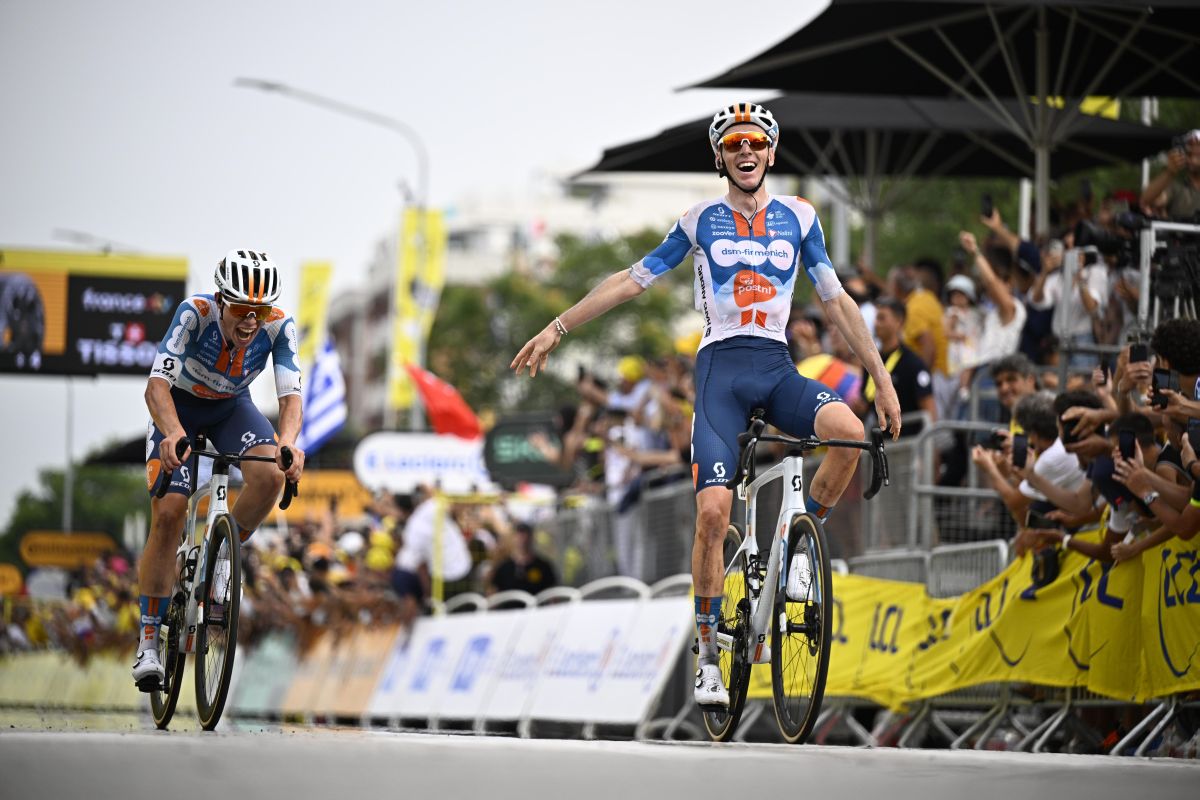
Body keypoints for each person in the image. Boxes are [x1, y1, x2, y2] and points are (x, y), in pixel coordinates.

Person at [510, 102, 900, 710]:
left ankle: (797, 550)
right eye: (734, 143)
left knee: (848, 433)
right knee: (714, 513)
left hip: (775, 368)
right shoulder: (698, 220)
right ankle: (710, 652)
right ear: (720, 156)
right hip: (719, 373)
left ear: (771, 153)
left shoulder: (801, 216)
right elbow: (629, 280)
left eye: (757, 142)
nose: (746, 152)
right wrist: (558, 327)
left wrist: (881, 376)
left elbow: (838, 301)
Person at [135, 250, 305, 690]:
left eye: (260, 311)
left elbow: (290, 398)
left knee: (269, 473)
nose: (251, 321)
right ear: (221, 301)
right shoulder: (195, 314)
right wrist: (171, 433)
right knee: (170, 511)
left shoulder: (279, 326)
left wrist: (287, 443)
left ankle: (221, 558)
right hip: (180, 409)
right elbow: (157, 385)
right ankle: (150, 639)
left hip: (232, 409)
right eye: (242, 310)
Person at [852, 296, 936, 435]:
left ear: (898, 322)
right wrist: (861, 407)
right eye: (876, 318)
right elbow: (867, 401)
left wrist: (931, 450)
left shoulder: (913, 363)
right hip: (881, 446)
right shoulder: (871, 362)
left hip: (910, 443)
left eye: (882, 318)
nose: (876, 324)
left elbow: (928, 408)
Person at [1141, 129, 1200, 221]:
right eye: (1189, 153)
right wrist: (1169, 172)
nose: (1193, 150)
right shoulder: (1177, 187)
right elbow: (1147, 200)